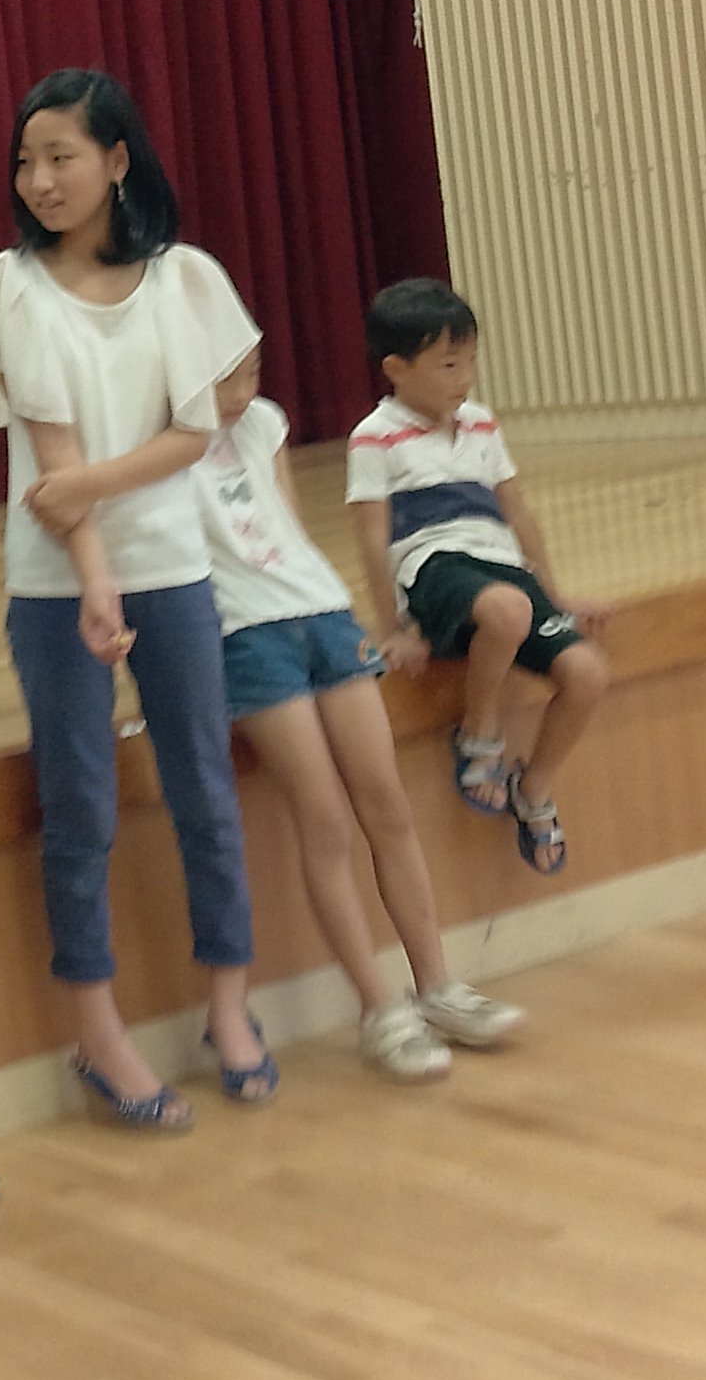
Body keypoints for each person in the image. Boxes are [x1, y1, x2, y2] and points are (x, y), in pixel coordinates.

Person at [0, 70, 266, 1130]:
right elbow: (52, 466)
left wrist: (96, 490)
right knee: (80, 805)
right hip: (56, 582)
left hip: (173, 566)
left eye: (63, 157)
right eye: (26, 161)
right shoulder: (6, 285)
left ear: (117, 159)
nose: (40, 180)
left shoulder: (182, 277)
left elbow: (199, 427)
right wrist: (94, 572)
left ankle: (229, 1005)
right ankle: (99, 1035)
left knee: (205, 790)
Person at [196, 345, 525, 1080]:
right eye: (227, 379)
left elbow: (284, 525)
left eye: (254, 375)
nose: (244, 394)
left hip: (320, 611)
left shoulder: (262, 422)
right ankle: (379, 1009)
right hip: (244, 635)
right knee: (325, 822)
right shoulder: (157, 443)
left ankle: (437, 985)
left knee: (387, 805)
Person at [348, 279, 612, 877]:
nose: (465, 376)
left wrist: (556, 593)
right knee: (507, 611)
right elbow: (371, 536)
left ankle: (533, 788)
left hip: (502, 569)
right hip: (434, 568)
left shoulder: (482, 424)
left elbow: (517, 512)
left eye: (470, 360)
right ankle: (478, 736)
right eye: (448, 364)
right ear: (396, 368)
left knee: (587, 672)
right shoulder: (373, 436)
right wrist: (394, 627)